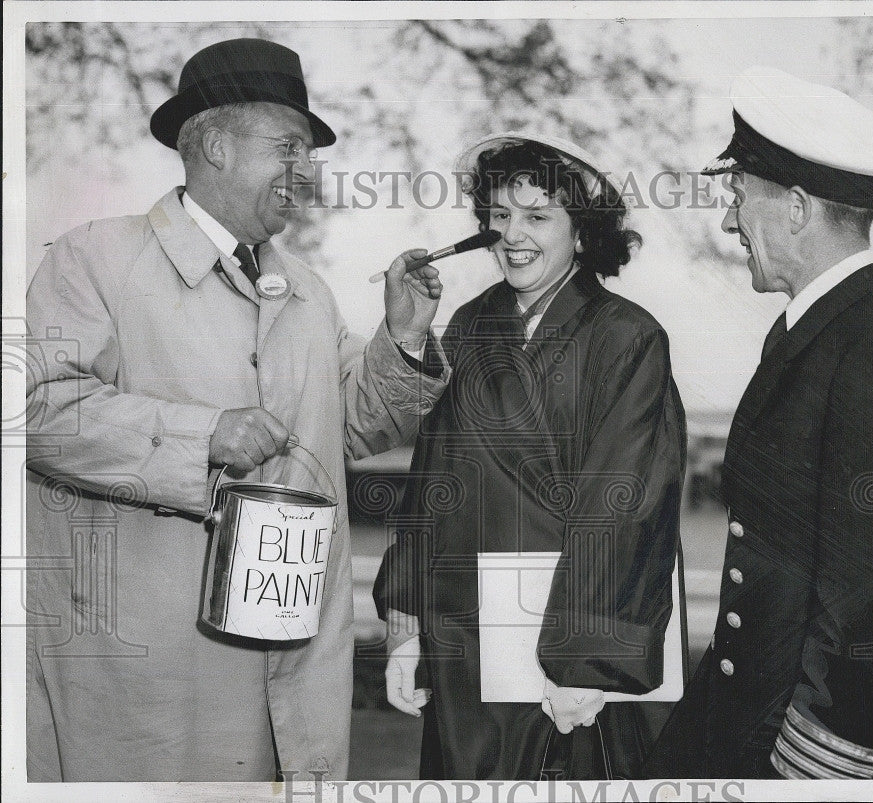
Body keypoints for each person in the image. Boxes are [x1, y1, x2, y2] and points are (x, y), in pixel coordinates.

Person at [25, 38, 449, 782]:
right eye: (289, 146)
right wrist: (204, 435)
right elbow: (37, 410)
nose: (306, 172)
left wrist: (404, 339)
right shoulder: (93, 257)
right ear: (215, 146)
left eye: (309, 153)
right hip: (145, 681)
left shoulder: (309, 293)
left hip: (285, 663)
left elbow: (348, 424)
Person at [642, 67, 873, 780]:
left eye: (738, 197)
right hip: (751, 712)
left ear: (798, 208)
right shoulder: (819, 330)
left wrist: (811, 768)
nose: (727, 222)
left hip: (815, 745)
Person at [373, 132, 687, 779]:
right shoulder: (466, 326)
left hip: (564, 654)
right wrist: (405, 625)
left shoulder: (629, 338)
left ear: (583, 232)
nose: (513, 234)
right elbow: (430, 481)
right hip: (464, 644)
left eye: (538, 216)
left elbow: (625, 504)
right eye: (500, 215)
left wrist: (587, 661)